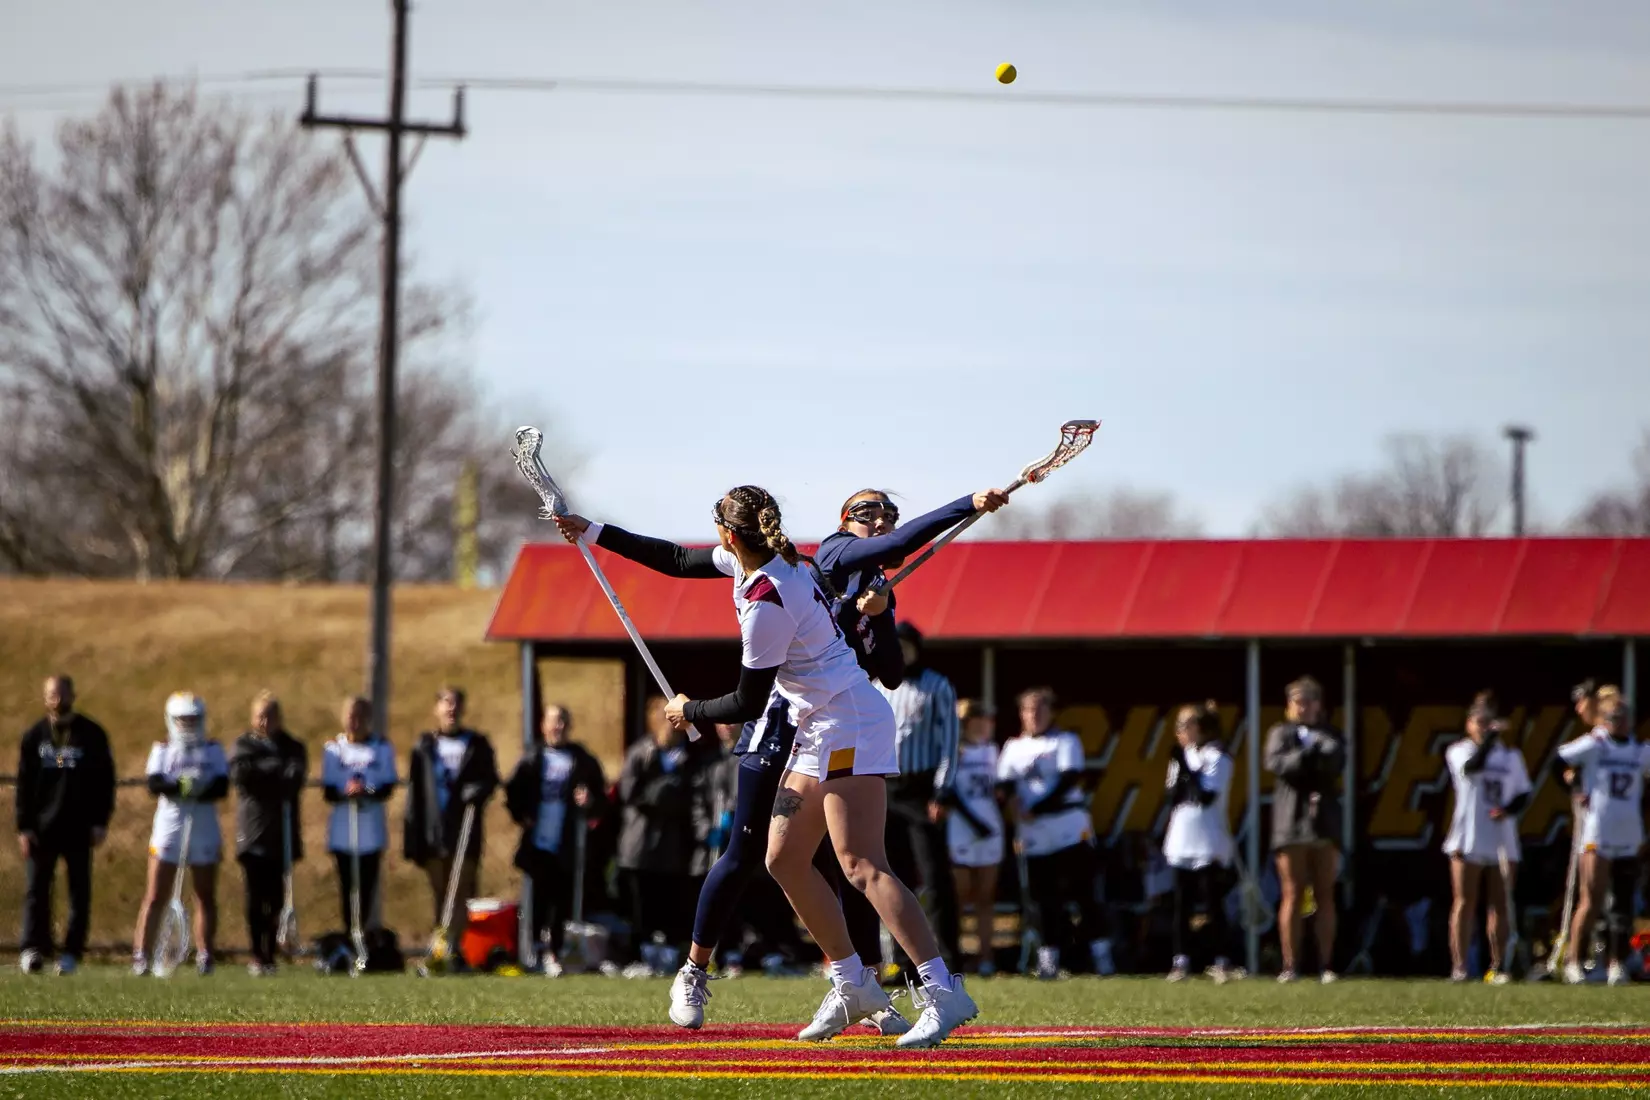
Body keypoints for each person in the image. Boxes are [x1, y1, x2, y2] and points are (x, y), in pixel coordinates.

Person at [553, 485, 982, 1048]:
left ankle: (942, 988)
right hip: (820, 724)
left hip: (848, 720)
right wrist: (594, 531)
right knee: (782, 858)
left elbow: (747, 703)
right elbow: (676, 560)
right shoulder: (753, 561)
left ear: (730, 533)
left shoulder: (768, 599)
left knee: (861, 864)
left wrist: (689, 708)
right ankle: (852, 981)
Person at [996, 686, 1110, 979]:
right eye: (1029, 710)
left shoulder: (1065, 741)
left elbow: (1069, 779)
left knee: (1083, 894)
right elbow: (1005, 783)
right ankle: (1049, 959)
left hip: (1069, 829)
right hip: (1034, 834)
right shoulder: (1013, 747)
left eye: (1041, 709)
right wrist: (1011, 801)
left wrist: (1039, 807)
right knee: (1043, 899)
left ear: (1051, 712)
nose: (1035, 715)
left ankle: (1102, 956)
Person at [875, 623, 962, 968]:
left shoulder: (937, 686)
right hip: (885, 786)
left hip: (922, 790)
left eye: (906, 646)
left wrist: (941, 791)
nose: (901, 653)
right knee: (892, 877)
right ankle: (901, 959)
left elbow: (950, 744)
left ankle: (950, 956)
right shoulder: (877, 685)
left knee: (935, 874)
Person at [16, 675, 115, 976]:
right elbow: (24, 783)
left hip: (78, 827)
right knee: (37, 890)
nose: (57, 700)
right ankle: (34, 948)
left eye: (61, 694)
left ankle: (71, 952)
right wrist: (24, 826)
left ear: (73, 694)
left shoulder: (92, 734)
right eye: (51, 695)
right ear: (45, 698)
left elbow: (105, 781)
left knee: (78, 892)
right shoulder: (35, 736)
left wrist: (100, 821)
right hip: (42, 829)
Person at [1553, 694, 1648, 986]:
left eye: (1623, 717)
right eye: (1614, 718)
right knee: (1591, 901)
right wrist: (1574, 785)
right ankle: (1574, 961)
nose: (1619, 723)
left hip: (1629, 832)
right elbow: (1559, 760)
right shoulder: (1595, 744)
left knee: (1622, 904)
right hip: (1598, 831)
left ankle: (1617, 963)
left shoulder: (1639, 750)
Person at [505, 703, 607, 976]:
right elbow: (513, 789)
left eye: (562, 721)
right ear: (543, 726)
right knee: (539, 896)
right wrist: (522, 814)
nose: (558, 727)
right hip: (540, 839)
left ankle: (557, 950)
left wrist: (589, 801)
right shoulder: (533, 758)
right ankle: (536, 949)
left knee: (562, 898)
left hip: (567, 840)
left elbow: (600, 793)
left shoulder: (581, 759)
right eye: (553, 721)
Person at [133, 692, 229, 976]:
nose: (187, 724)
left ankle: (205, 955)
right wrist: (180, 788)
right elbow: (154, 783)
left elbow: (222, 786)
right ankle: (142, 955)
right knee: (155, 895)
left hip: (204, 828)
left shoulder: (212, 749)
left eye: (193, 719)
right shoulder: (163, 748)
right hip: (170, 828)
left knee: (205, 894)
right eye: (182, 719)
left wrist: (201, 788)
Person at [1441, 691, 1530, 985]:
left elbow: (1523, 792)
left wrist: (1507, 810)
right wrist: (1489, 740)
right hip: (1469, 834)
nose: (1483, 727)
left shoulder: (1511, 756)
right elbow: (1471, 769)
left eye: (1488, 722)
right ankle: (1461, 965)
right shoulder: (1459, 750)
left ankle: (1499, 965)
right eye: (1478, 722)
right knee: (1464, 901)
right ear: (1469, 724)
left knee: (1500, 904)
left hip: (1502, 835)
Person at [405, 687, 499, 963]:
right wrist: (413, 836)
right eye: (446, 704)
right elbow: (416, 793)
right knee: (440, 891)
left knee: (461, 892)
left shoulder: (477, 744)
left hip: (465, 831)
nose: (451, 710)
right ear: (437, 709)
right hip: (434, 832)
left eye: (456, 704)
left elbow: (490, 778)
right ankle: (441, 944)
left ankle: (455, 947)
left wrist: (478, 790)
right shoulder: (424, 747)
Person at [1264, 675, 1346, 984]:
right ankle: (1290, 965)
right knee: (1292, 892)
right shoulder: (1280, 733)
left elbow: (1335, 759)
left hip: (1324, 822)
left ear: (1319, 705)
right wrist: (1307, 754)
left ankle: (1326, 964)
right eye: (1297, 701)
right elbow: (1278, 764)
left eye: (1309, 701)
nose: (1303, 707)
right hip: (1290, 822)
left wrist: (1313, 754)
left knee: (1325, 892)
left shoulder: (1330, 733)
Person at [617, 696, 704, 976]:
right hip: (640, 845)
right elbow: (628, 793)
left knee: (669, 904)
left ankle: (666, 956)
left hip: (672, 847)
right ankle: (637, 956)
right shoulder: (641, 753)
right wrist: (666, 787)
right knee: (641, 906)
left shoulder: (688, 757)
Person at [229, 691, 308, 976]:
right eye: (261, 715)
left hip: (281, 835)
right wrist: (274, 771)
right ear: (253, 718)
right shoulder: (243, 745)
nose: (265, 721)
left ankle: (270, 953)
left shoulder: (292, 746)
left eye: (271, 715)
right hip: (252, 834)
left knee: (275, 897)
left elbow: (294, 778)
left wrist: (269, 773)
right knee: (254, 897)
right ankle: (256, 953)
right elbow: (243, 777)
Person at [1162, 701, 1240, 983]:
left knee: (1211, 900)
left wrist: (1186, 768)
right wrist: (1182, 767)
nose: (1180, 732)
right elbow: (1174, 795)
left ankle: (1221, 960)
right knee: (1181, 902)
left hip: (1209, 837)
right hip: (1182, 836)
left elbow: (1206, 796)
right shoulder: (1181, 756)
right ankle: (1180, 960)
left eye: (1186, 725)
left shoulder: (1217, 757)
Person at [321, 697, 398, 937]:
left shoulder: (382, 748)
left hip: (371, 833)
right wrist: (347, 791)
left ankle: (362, 936)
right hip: (343, 833)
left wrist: (367, 791)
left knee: (366, 889)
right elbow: (329, 791)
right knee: (347, 888)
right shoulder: (334, 748)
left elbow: (386, 787)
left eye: (359, 717)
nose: (354, 723)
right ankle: (349, 937)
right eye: (350, 717)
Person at [941, 699, 1004, 976]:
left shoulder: (993, 751)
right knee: (959, 895)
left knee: (985, 898)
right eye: (975, 719)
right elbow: (948, 793)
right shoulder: (953, 752)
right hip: (962, 829)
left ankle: (986, 957)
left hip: (990, 829)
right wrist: (975, 823)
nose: (982, 724)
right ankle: (954, 954)